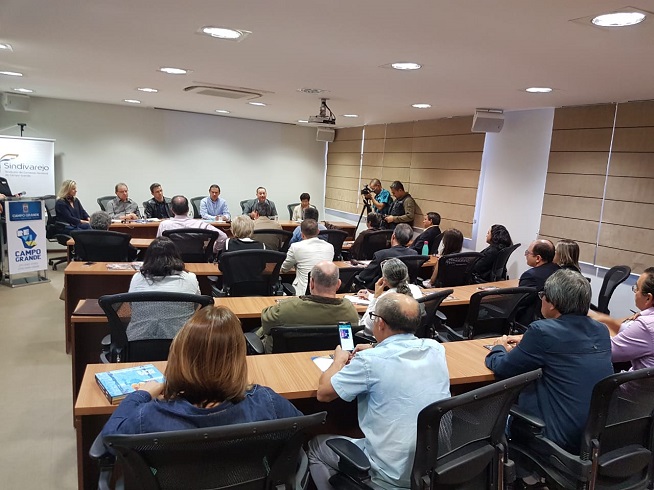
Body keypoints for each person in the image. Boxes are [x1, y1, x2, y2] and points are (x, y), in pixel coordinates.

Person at [308, 293, 450, 489]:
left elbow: (323, 393)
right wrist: (377, 347)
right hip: (434, 468)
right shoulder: (436, 349)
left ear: (380, 323)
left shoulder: (369, 361)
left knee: (315, 446)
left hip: (389, 477)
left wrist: (338, 360)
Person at [101, 305, 303, 438]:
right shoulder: (266, 402)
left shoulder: (149, 417)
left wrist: (141, 394)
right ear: (238, 361)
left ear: (180, 354)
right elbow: (300, 431)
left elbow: (109, 440)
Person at [485, 269, 613, 453]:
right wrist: (528, 344)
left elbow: (503, 368)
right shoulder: (600, 330)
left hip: (553, 437)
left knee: (489, 418)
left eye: (543, 295)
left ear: (552, 304)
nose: (541, 300)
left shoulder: (541, 331)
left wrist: (499, 348)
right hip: (595, 437)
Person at [257, 261, 360, 353]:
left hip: (284, 361)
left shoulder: (287, 308)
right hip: (332, 361)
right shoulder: (350, 311)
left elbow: (266, 324)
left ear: (311, 283)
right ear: (338, 284)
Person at [126, 236, 200, 341]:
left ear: (148, 258)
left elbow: (132, 306)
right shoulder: (190, 278)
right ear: (177, 256)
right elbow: (196, 306)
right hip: (181, 342)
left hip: (138, 342)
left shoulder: (137, 278)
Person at [590, 267, 654, 371]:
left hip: (632, 380)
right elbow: (629, 330)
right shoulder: (647, 319)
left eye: (637, 288)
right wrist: (604, 319)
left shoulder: (646, 325)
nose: (635, 292)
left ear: (648, 298)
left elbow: (607, 352)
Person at [358, 258, 423, 335]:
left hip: (385, 339)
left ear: (384, 280)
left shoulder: (384, 299)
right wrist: (371, 296)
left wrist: (376, 297)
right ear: (406, 275)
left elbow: (366, 328)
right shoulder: (415, 289)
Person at [157, 195, 227, 255]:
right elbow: (223, 237)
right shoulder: (201, 224)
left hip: (172, 261)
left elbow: (159, 244)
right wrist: (213, 250)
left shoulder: (164, 225)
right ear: (188, 209)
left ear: (172, 210)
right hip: (199, 260)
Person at [355, 223, 417, 289]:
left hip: (381, 290)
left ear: (393, 236)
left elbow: (364, 276)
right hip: (405, 288)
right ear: (409, 240)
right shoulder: (414, 254)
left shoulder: (381, 255)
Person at [281, 219, 334, 296]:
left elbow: (284, 269)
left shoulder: (295, 247)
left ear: (302, 234)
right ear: (318, 232)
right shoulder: (330, 247)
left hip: (303, 294)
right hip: (325, 292)